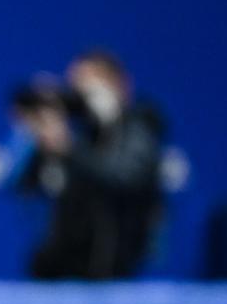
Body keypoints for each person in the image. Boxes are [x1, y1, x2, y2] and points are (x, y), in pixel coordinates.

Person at [11, 50, 164, 279]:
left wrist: (70, 149)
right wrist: (35, 139)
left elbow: (124, 178)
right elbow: (25, 184)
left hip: (114, 268)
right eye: (76, 89)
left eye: (90, 88)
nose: (82, 97)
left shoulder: (138, 128)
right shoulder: (80, 132)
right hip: (61, 264)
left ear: (120, 87)